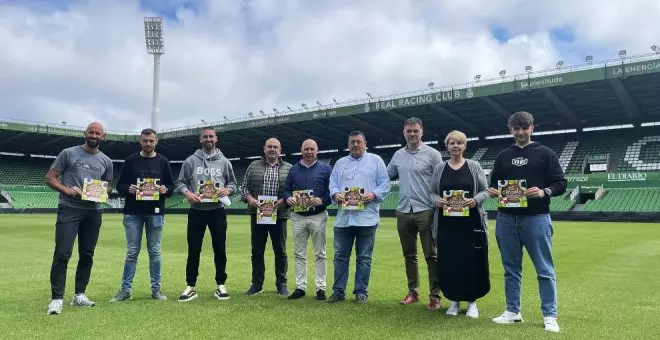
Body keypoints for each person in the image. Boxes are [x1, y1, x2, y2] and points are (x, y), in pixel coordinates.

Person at [488, 111, 566, 333]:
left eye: (525, 127)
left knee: (544, 269)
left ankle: (550, 315)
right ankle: (513, 311)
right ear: (510, 129)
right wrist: (493, 191)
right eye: (516, 128)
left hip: (537, 218)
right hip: (506, 218)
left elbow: (561, 183)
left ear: (532, 128)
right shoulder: (503, 155)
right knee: (511, 269)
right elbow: (494, 185)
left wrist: (544, 191)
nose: (520, 132)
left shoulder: (545, 153)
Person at [45, 122, 114, 315]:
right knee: (62, 253)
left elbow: (109, 186)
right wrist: (67, 190)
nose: (94, 135)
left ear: (103, 136)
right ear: (85, 133)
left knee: (87, 254)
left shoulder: (106, 161)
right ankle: (57, 299)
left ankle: (79, 294)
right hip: (69, 208)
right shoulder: (68, 153)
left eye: (97, 133)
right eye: (91, 132)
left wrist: (101, 191)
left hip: (93, 211)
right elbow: (50, 178)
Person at [429, 130, 490, 318]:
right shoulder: (439, 168)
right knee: (449, 262)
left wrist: (475, 200)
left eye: (459, 143)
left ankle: (472, 302)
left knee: (472, 261)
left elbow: (485, 190)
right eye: (452, 143)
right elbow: (431, 193)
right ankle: (454, 301)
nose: (456, 146)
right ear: (447, 146)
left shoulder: (474, 166)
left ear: (465, 146)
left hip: (470, 224)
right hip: (447, 225)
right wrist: (437, 201)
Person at [110, 128, 175, 302]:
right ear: (141, 141)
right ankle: (125, 290)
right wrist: (128, 188)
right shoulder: (131, 160)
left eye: (151, 141)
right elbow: (119, 186)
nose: (148, 144)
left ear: (156, 141)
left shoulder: (163, 161)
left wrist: (165, 189)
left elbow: (171, 187)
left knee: (155, 251)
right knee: (132, 252)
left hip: (155, 212)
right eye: (145, 140)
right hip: (133, 212)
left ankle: (156, 290)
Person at [327, 131, 391, 304]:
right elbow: (332, 183)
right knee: (340, 256)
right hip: (344, 218)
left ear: (365, 143)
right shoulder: (340, 163)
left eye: (358, 142)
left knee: (364, 257)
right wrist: (335, 194)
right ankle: (338, 291)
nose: (355, 145)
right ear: (348, 145)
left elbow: (385, 184)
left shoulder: (376, 160)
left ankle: (361, 292)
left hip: (367, 218)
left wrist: (374, 194)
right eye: (352, 142)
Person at [386, 117, 443, 310]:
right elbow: (385, 176)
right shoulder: (397, 155)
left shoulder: (433, 154)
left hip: (426, 210)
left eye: (415, 131)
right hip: (403, 210)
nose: (412, 134)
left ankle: (435, 296)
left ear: (422, 131)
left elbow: (442, 180)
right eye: (408, 131)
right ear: (404, 132)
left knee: (431, 256)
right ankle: (413, 292)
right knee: (409, 255)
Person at [175, 127, 237, 302]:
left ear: (216, 138)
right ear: (200, 139)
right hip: (196, 212)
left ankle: (220, 285)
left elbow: (233, 183)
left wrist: (228, 190)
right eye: (205, 137)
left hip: (217, 211)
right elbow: (180, 182)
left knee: (220, 249)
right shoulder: (190, 161)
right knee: (193, 250)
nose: (208, 139)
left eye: (211, 136)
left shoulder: (224, 161)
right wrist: (188, 194)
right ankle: (191, 286)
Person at [241, 138, 293, 296]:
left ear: (280, 150)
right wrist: (249, 199)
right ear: (264, 149)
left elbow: (293, 190)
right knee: (257, 251)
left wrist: (284, 200)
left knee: (281, 251)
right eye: (269, 146)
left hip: (280, 215)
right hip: (258, 214)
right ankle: (257, 284)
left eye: (275, 147)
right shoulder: (253, 165)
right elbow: (244, 188)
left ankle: (281, 284)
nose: (272, 149)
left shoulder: (289, 168)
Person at [282, 139, 332, 300]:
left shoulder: (326, 169)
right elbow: (286, 190)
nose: (309, 152)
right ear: (301, 150)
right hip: (298, 216)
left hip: (318, 216)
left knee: (320, 254)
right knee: (299, 253)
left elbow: (333, 191)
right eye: (306, 149)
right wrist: (288, 198)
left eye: (312, 149)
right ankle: (300, 287)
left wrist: (322, 200)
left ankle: (320, 288)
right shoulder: (294, 169)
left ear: (317, 151)